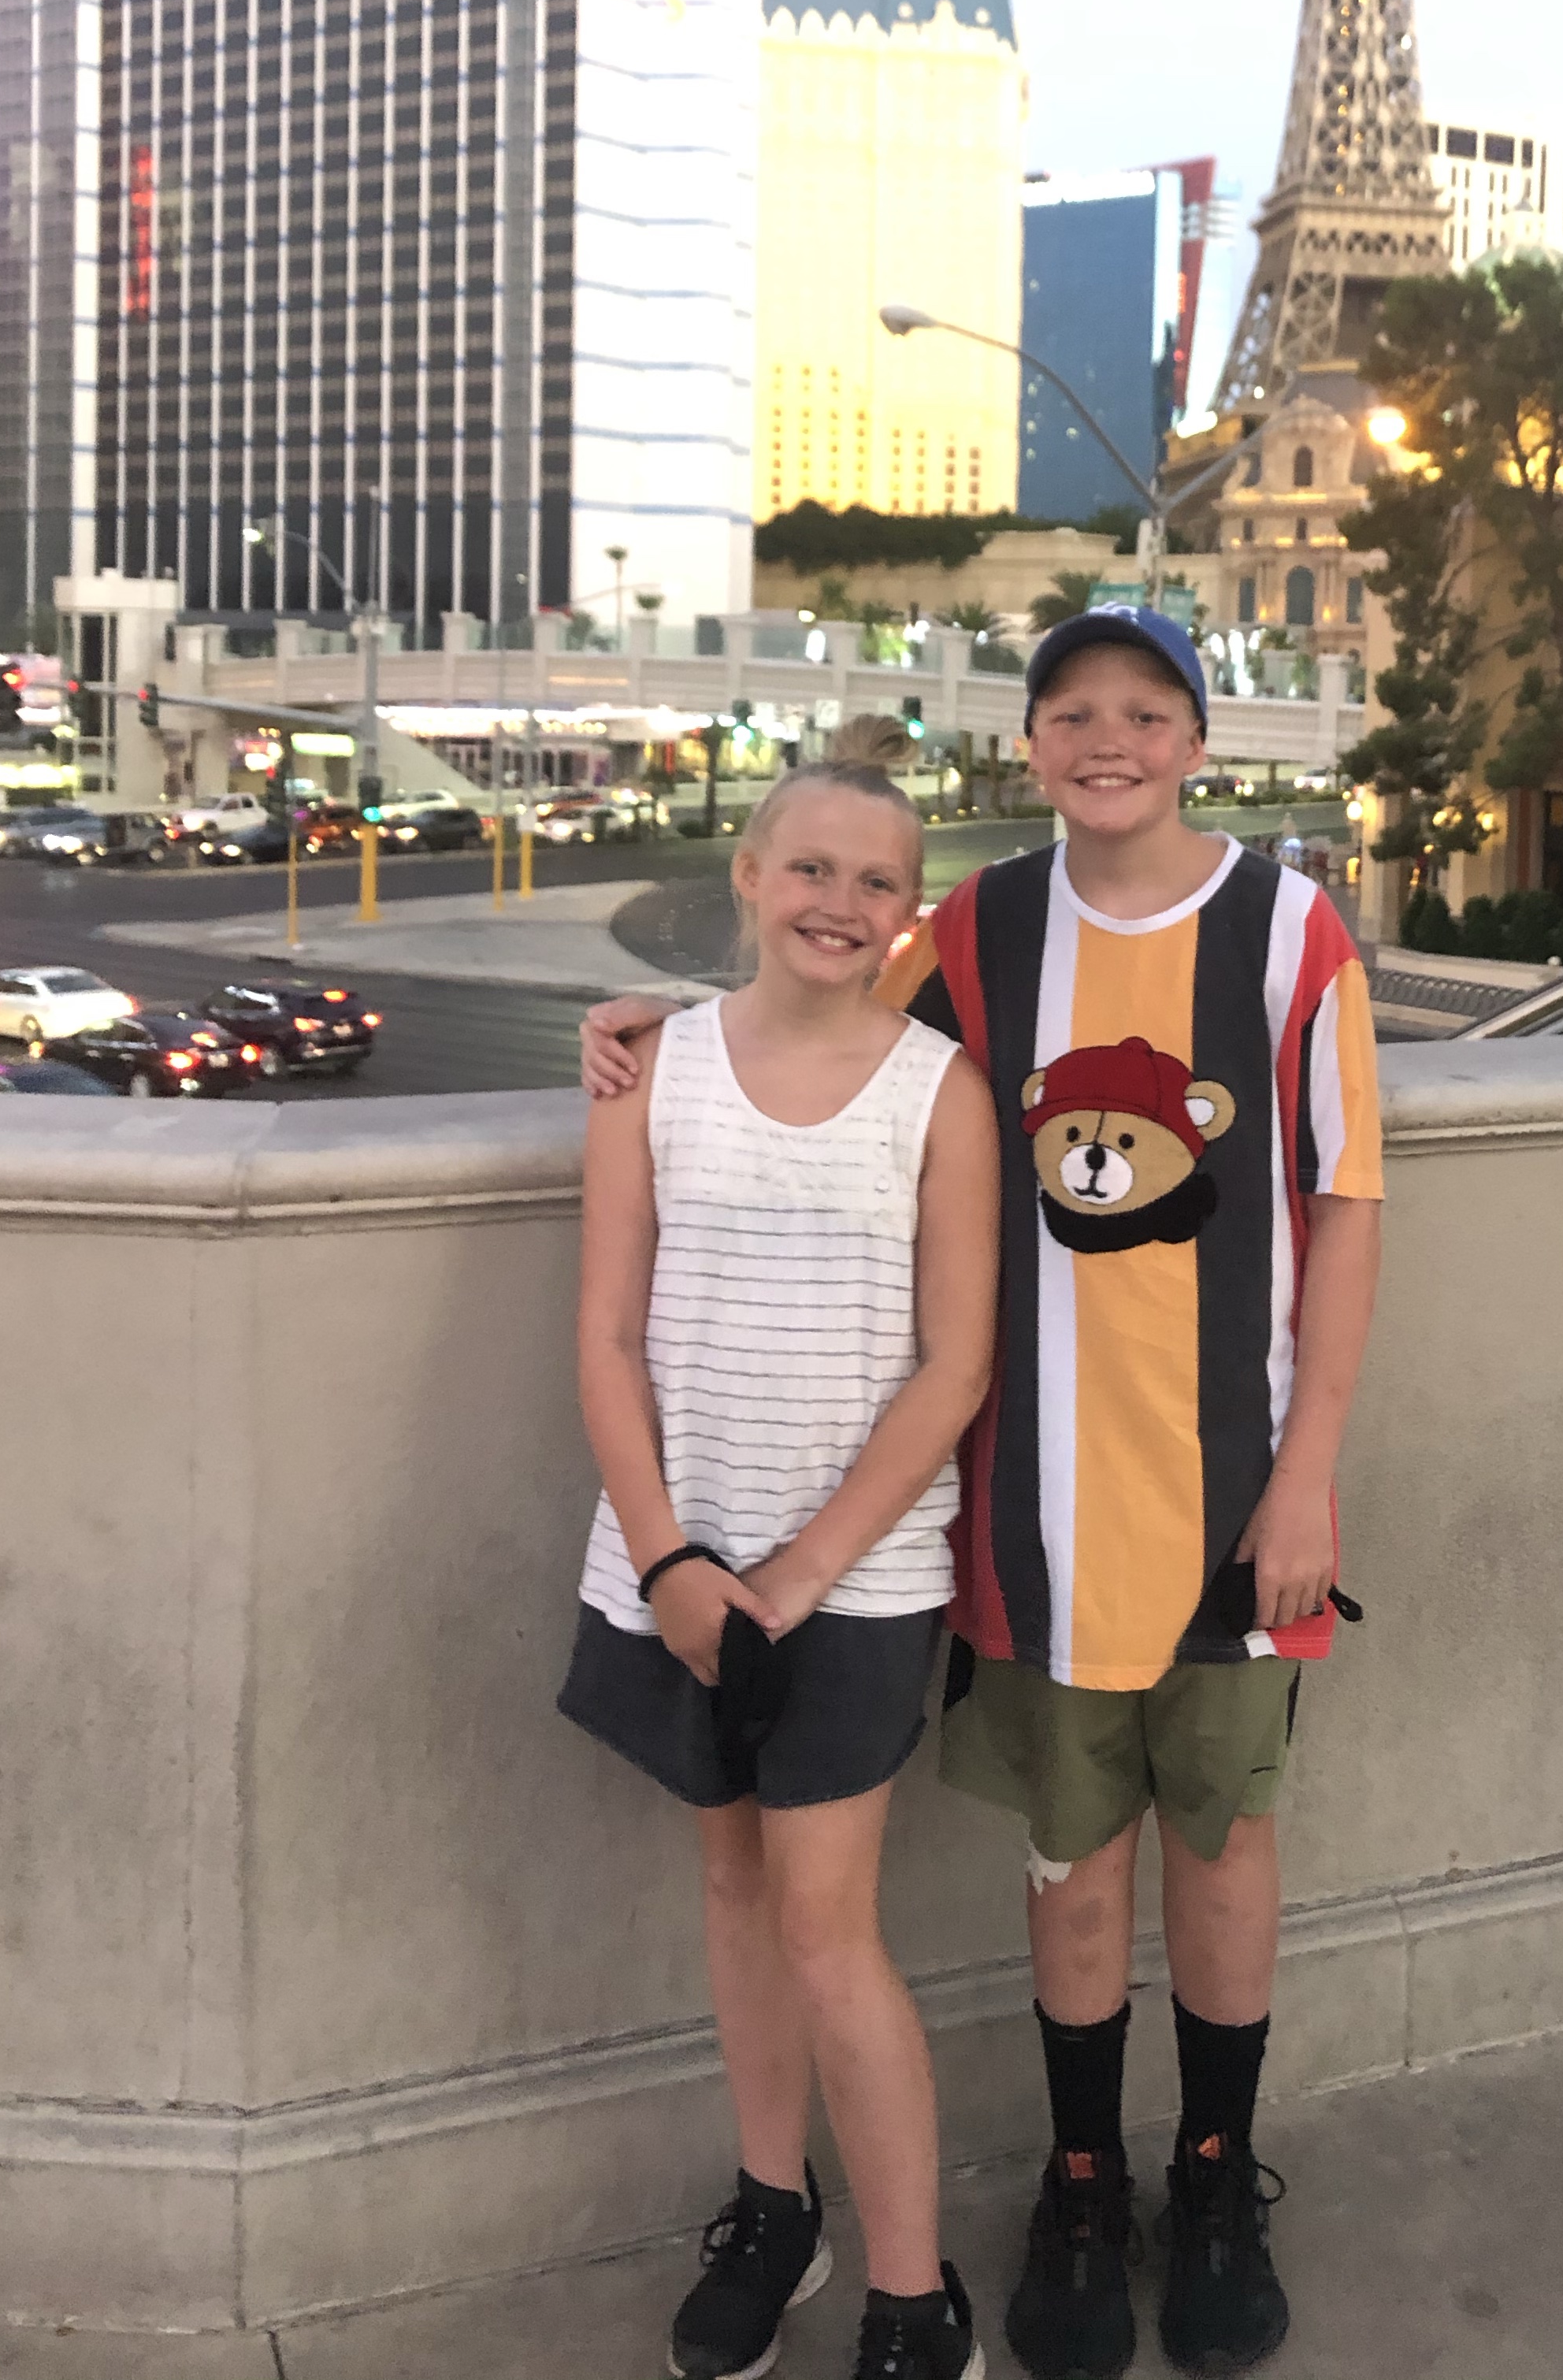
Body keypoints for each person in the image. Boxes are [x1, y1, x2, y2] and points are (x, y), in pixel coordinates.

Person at [586, 613, 1384, 2380]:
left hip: (1235, 1501)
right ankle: (1083, 2181)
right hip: (1026, 1507)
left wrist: (1311, 1474)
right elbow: (811, 1018)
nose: (1110, 740)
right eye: (1073, 712)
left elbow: (1346, 1209)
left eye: (1148, 713)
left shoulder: (1291, 931)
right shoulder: (975, 928)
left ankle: (1216, 2170)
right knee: (1072, 1861)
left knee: (1226, 1846)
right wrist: (651, 1027)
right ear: (1028, 745)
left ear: (1198, 742)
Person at [562, 738, 998, 2380]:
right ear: (747, 878)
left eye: (878, 882)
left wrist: (798, 1579)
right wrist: (671, 1561)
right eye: (810, 867)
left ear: (910, 913)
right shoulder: (651, 1072)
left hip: (857, 1584)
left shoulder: (940, 1095)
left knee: (829, 1927)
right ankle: (772, 2205)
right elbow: (607, 1336)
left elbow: (954, 1367)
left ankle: (913, 2294)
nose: (841, 902)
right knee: (735, 1887)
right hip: (680, 1565)